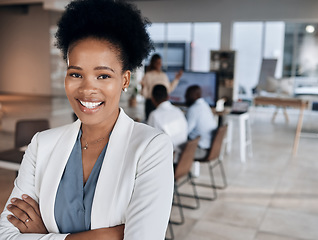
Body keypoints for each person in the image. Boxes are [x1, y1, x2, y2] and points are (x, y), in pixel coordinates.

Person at [0, 0, 174, 239]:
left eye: (103, 75)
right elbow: (6, 234)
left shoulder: (151, 147)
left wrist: (44, 234)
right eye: (75, 74)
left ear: (124, 80)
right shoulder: (42, 144)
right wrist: (106, 236)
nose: (87, 88)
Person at [147, 84, 188, 163]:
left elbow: (149, 140)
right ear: (168, 97)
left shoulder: (155, 115)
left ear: (152, 99)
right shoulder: (178, 111)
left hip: (169, 160)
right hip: (183, 158)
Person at [140, 54, 183, 120]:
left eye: (160, 62)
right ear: (153, 63)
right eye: (157, 62)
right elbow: (145, 94)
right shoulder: (148, 75)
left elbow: (169, 89)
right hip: (151, 103)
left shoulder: (163, 75)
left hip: (163, 102)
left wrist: (176, 79)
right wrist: (143, 88)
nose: (159, 64)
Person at [185, 85, 217, 159]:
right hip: (210, 147)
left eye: (187, 95)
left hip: (201, 149)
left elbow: (185, 131)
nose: (185, 97)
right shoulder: (205, 105)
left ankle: (182, 170)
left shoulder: (193, 109)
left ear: (192, 96)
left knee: (172, 153)